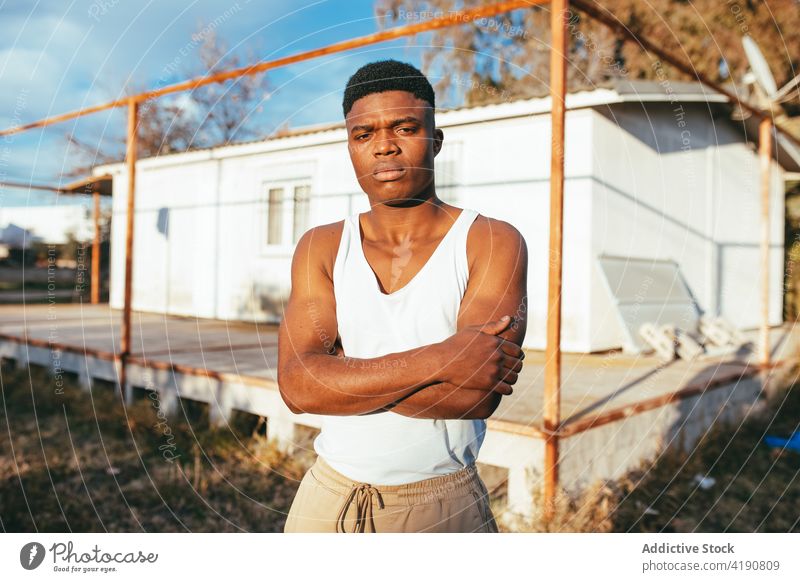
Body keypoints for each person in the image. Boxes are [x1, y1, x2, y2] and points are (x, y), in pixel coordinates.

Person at [278, 59, 528, 533]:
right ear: (350, 148)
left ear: (435, 139)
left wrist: (342, 373)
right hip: (325, 496)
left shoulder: (490, 240)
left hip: (440, 502)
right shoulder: (322, 245)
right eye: (363, 135)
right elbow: (296, 387)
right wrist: (445, 358)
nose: (384, 147)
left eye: (405, 127)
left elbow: (475, 394)